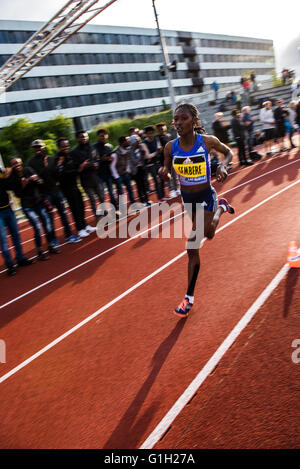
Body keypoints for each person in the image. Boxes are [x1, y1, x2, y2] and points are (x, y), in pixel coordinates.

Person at [158, 103, 235, 318]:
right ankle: (222, 207)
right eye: (176, 119)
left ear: (193, 121)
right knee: (209, 234)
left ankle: (188, 299)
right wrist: (164, 172)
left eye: (183, 118)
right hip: (188, 199)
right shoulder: (170, 147)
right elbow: (168, 171)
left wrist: (222, 166)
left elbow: (228, 152)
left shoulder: (207, 141)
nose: (178, 123)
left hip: (205, 196)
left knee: (192, 246)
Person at [27, 139, 80, 246]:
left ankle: (69, 235)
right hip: (45, 194)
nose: (37, 149)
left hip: (56, 191)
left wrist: (59, 167)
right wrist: (44, 169)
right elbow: (36, 179)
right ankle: (52, 240)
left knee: (64, 214)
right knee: (49, 218)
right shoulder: (31, 163)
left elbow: (57, 176)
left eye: (39, 147)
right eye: (35, 147)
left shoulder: (51, 159)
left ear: (44, 147)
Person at [9, 157, 59, 260]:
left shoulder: (28, 170)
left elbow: (40, 181)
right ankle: (40, 251)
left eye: (18, 162)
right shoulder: (13, 178)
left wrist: (37, 179)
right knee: (37, 227)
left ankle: (50, 246)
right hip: (27, 206)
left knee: (48, 225)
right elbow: (18, 194)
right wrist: (23, 184)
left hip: (38, 202)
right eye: (14, 163)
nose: (17, 164)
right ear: (12, 166)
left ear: (21, 162)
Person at [55, 138, 96, 238]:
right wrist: (78, 170)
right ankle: (80, 229)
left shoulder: (70, 156)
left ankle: (85, 225)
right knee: (75, 209)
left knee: (81, 206)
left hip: (75, 185)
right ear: (59, 147)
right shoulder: (58, 159)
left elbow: (77, 165)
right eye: (63, 146)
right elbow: (62, 174)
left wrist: (83, 165)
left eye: (67, 145)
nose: (66, 147)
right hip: (67, 188)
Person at [0, 166, 33, 276]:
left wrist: (7, 176)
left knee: (16, 236)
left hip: (8, 209)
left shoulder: (0, 172)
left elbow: (8, 186)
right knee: (3, 241)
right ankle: (10, 266)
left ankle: (20, 258)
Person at [70, 130, 105, 221]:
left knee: (101, 196)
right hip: (85, 180)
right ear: (77, 139)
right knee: (92, 199)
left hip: (95, 177)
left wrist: (97, 164)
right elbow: (77, 166)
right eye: (82, 137)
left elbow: (97, 159)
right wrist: (87, 165)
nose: (84, 138)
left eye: (85, 136)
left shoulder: (93, 148)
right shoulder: (74, 152)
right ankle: (97, 216)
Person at [94, 129, 118, 211]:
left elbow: (111, 159)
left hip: (108, 173)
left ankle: (115, 210)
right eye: (101, 135)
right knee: (102, 195)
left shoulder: (109, 146)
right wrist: (101, 159)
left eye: (104, 135)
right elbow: (94, 161)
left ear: (107, 136)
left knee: (112, 193)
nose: (103, 137)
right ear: (98, 137)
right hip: (99, 174)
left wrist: (110, 159)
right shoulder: (94, 147)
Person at [110, 136, 136, 209]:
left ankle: (133, 205)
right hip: (118, 175)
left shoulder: (127, 151)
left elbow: (127, 161)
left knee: (130, 189)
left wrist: (127, 170)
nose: (129, 141)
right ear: (123, 142)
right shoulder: (115, 153)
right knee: (121, 193)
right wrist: (116, 177)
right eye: (127, 140)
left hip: (125, 173)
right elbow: (112, 166)